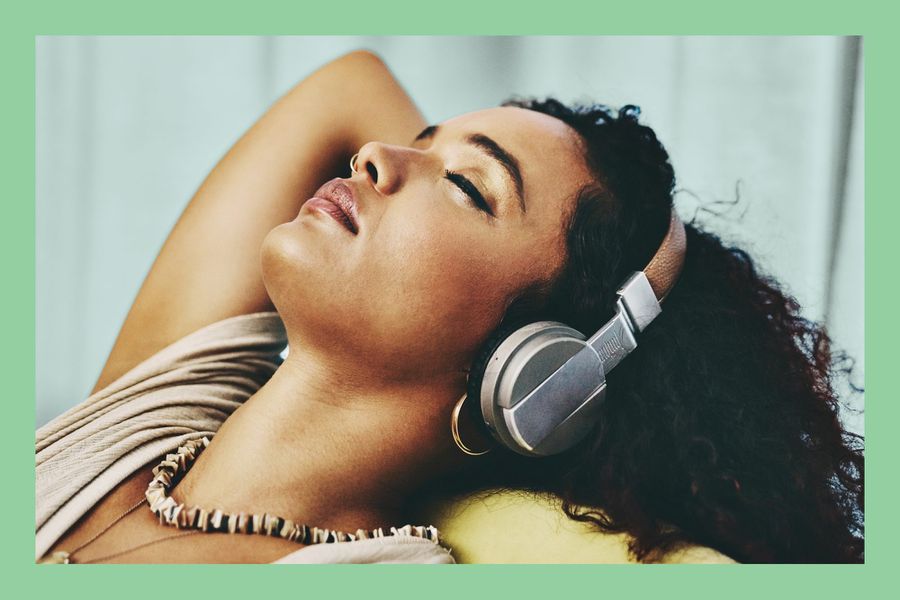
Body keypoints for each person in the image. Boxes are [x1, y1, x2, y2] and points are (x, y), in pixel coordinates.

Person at [35, 49, 864, 564]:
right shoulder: (148, 420)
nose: (374, 157)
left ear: (540, 372)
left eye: (469, 186)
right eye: (422, 141)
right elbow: (344, 86)